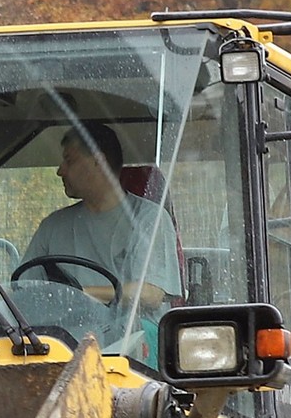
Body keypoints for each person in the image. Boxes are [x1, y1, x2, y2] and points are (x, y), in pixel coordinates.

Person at [20, 121, 182, 318]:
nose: (60, 170)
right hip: (62, 340)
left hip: (131, 342)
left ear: (99, 162)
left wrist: (76, 296)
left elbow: (151, 294)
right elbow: (21, 290)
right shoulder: (52, 226)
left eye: (69, 160)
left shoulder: (149, 219)